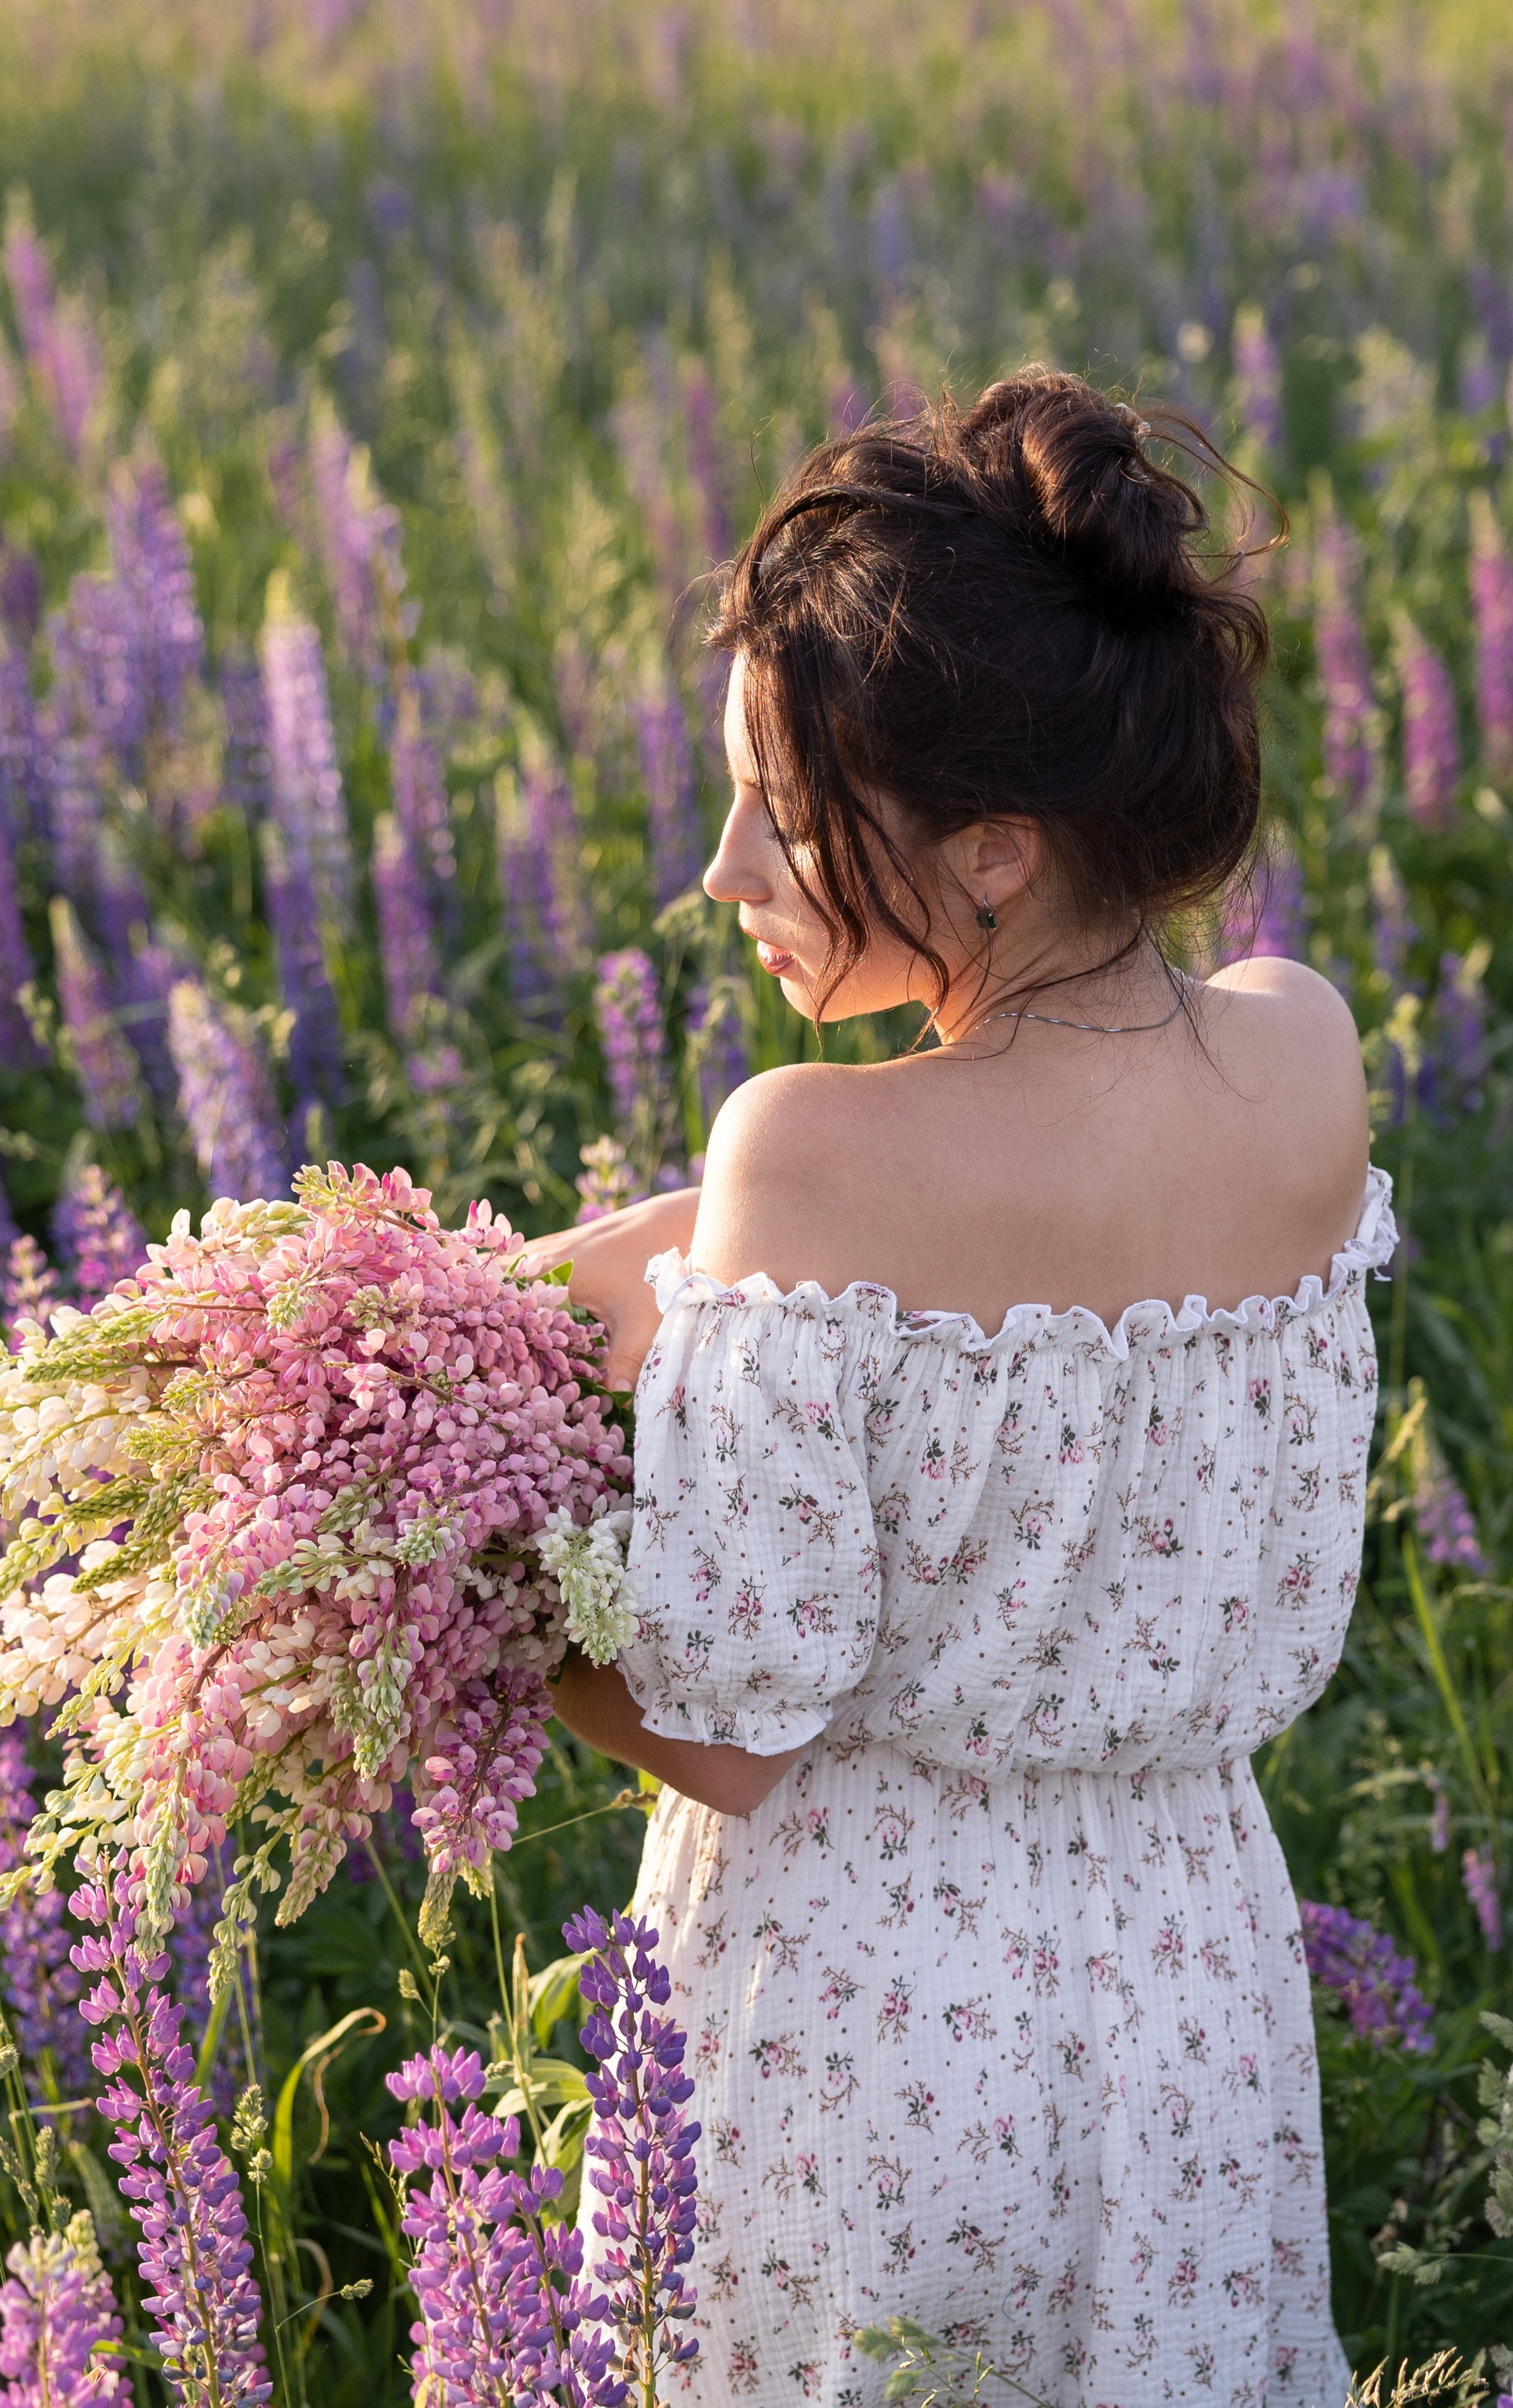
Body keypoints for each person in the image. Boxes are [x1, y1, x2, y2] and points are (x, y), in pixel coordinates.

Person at [531, 369, 1385, 2407]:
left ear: (995, 852)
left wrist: (448, 1588)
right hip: (1192, 2000)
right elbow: (1032, 1261)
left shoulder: (806, 1152)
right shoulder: (1303, 1049)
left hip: (873, 2023)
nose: (725, 868)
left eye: (783, 808)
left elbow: (730, 1733)